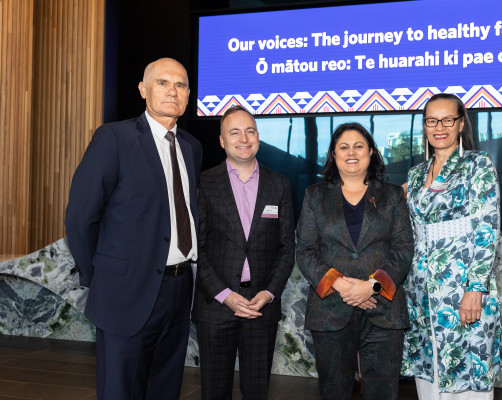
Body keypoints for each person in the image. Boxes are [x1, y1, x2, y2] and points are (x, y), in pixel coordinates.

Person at [65, 58, 202, 400]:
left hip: (179, 288)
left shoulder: (191, 147)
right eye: (163, 83)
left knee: (165, 388)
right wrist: (99, 277)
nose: (173, 91)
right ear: (143, 90)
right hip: (124, 292)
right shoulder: (114, 138)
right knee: (121, 391)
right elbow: (81, 218)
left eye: (181, 85)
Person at [296, 123, 414, 400]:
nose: (352, 152)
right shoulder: (314, 196)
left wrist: (371, 287)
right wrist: (341, 286)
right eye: (344, 147)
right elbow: (305, 250)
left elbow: (403, 249)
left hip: (383, 308)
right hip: (330, 310)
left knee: (382, 392)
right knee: (334, 391)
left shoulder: (393, 195)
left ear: (371, 152)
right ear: (333, 155)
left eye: (359, 146)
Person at [401, 93, 502, 399]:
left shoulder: (477, 164)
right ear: (425, 126)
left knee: (467, 375)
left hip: (462, 290)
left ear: (461, 124)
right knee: (429, 378)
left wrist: (476, 288)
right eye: (432, 120)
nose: (439, 127)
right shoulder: (416, 174)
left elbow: (487, 229)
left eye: (448, 119)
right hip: (420, 294)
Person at [196, 105, 295, 400]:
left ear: (258, 137)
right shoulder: (203, 183)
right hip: (216, 306)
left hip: (260, 306)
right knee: (214, 391)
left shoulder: (278, 184)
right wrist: (225, 294)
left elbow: (287, 249)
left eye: (250, 131)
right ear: (222, 141)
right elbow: (196, 249)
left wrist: (268, 293)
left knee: (256, 391)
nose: (244, 138)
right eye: (234, 132)